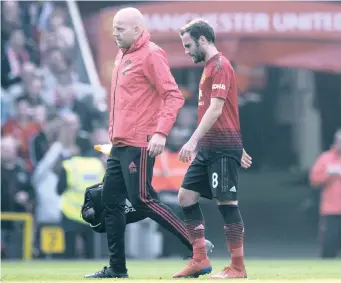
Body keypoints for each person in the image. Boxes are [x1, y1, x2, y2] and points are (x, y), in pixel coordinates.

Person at [85, 8, 213, 279]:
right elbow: (123, 102)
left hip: (140, 142)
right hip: (120, 143)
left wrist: (160, 133)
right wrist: (112, 133)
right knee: (109, 204)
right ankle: (117, 268)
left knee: (142, 199)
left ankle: (197, 248)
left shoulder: (151, 54)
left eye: (120, 29)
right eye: (114, 28)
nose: (114, 33)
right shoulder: (123, 55)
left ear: (136, 29)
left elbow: (173, 96)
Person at [173, 19, 249, 279]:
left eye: (188, 45)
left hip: (220, 147)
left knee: (227, 202)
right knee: (185, 197)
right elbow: (226, 111)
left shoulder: (220, 65)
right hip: (211, 147)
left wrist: (192, 140)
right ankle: (200, 259)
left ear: (202, 39)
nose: (186, 51)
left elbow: (217, 109)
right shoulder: (209, 67)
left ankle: (238, 267)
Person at [309, 129, 341, 258]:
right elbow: (314, 180)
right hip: (331, 210)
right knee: (329, 245)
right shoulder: (325, 158)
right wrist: (328, 174)